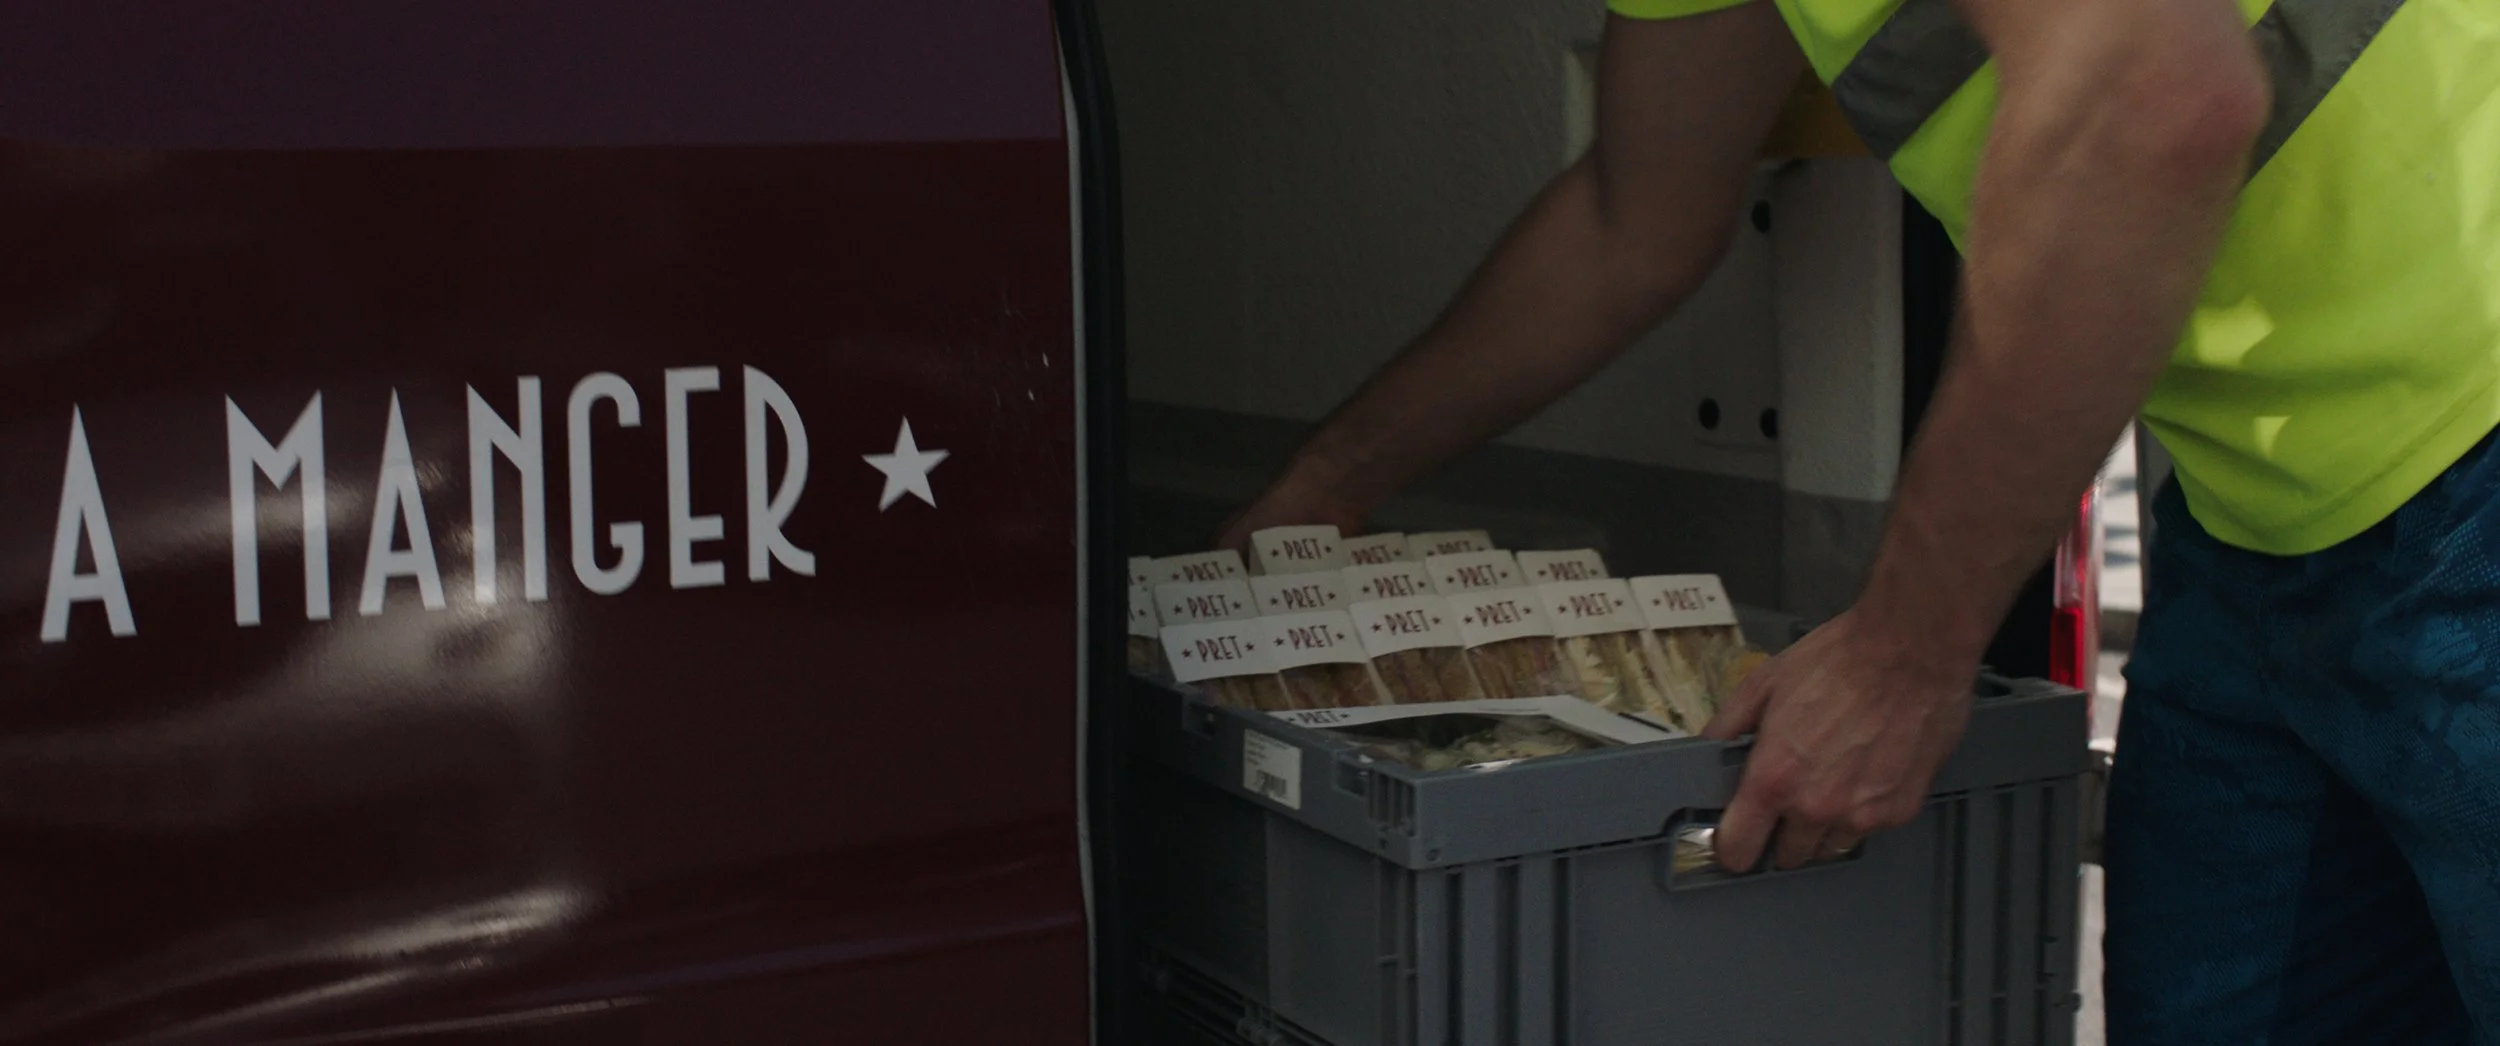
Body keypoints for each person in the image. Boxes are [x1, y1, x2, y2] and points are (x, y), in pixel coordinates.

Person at [1216, 0, 2500, 1039]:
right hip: (2264, 522)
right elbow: (1632, 217)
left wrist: (1905, 651)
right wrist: (1324, 491)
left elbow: (2153, 98)